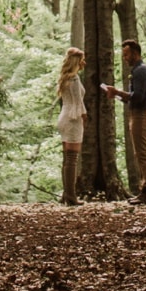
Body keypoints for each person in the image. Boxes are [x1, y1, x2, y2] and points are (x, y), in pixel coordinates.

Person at [103, 39, 146, 204]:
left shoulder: (140, 71)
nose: (124, 58)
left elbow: (138, 97)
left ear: (135, 53)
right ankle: (144, 189)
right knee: (139, 153)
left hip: (141, 115)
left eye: (126, 54)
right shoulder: (138, 70)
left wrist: (118, 91)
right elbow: (131, 99)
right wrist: (116, 95)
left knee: (142, 153)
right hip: (137, 114)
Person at [54, 47, 86, 205]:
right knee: (72, 159)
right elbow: (78, 102)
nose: (84, 63)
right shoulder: (74, 79)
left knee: (67, 159)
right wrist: (84, 117)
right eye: (82, 60)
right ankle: (71, 196)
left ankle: (66, 194)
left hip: (63, 117)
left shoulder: (65, 78)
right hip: (73, 119)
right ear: (76, 62)